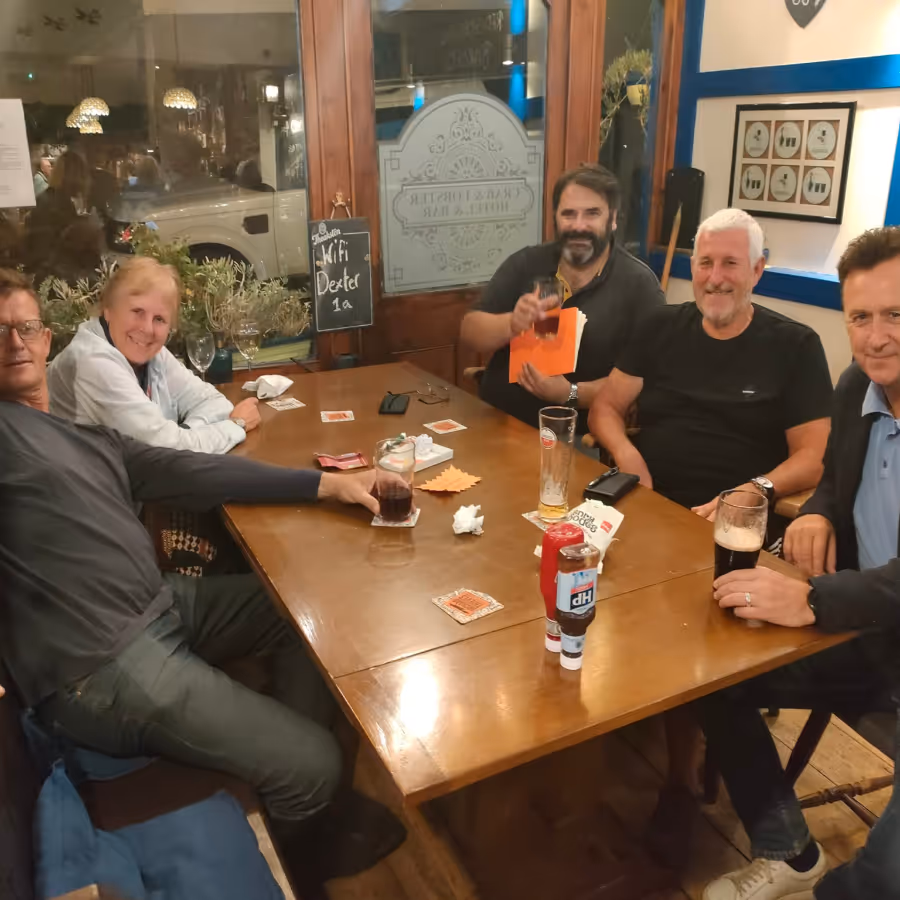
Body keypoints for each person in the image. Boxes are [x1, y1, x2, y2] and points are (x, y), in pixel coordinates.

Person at [0, 268, 403, 891]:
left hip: (158, 606)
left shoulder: (85, 436)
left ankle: (284, 771)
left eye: (25, 327)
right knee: (317, 764)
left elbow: (192, 471)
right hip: (101, 666)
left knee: (303, 607)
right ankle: (306, 832)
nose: (14, 342)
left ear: (45, 337)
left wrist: (328, 484)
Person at [697, 226, 900, 900]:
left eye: (896, 314)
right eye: (861, 318)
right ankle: (788, 848)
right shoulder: (856, 387)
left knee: (884, 876)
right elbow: (837, 478)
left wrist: (813, 600)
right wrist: (815, 511)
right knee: (711, 676)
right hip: (866, 637)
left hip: (857, 617)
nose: (876, 337)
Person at [589, 208, 832, 521]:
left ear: (757, 270)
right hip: (649, 505)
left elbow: (815, 457)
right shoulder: (658, 326)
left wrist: (757, 489)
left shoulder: (796, 345)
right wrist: (626, 455)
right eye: (705, 263)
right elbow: (605, 409)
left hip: (739, 520)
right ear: (693, 267)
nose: (715, 278)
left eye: (730, 263)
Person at [460, 163, 665, 434]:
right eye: (569, 214)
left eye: (592, 213)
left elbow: (646, 382)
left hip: (577, 437)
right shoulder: (526, 263)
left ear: (613, 219)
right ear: (555, 218)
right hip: (497, 422)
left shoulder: (640, 286)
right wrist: (510, 323)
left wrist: (569, 393)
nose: (579, 226)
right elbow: (470, 332)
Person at [49, 257, 260, 454]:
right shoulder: (92, 361)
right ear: (108, 310)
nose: (147, 329)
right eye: (137, 312)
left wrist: (185, 433)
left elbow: (214, 402)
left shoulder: (150, 352)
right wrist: (235, 425)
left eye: (159, 319)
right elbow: (165, 451)